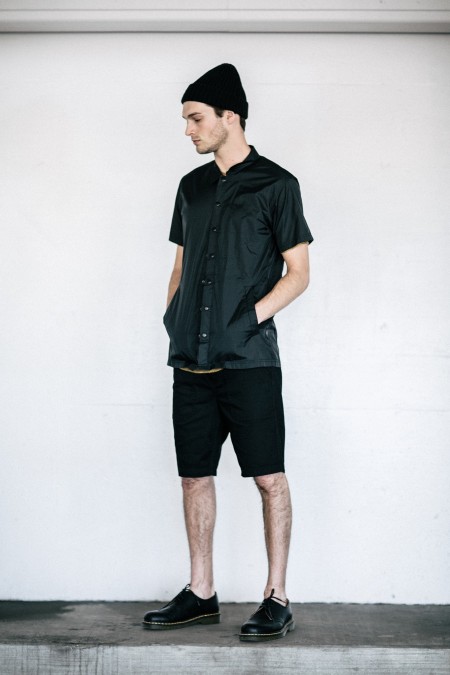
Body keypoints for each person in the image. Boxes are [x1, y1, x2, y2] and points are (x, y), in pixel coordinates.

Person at [143, 63, 313, 642]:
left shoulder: (277, 184)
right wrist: (174, 317)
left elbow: (298, 273)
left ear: (229, 117)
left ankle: (277, 597)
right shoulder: (190, 187)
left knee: (269, 478)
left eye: (195, 119)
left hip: (250, 361)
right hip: (189, 358)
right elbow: (180, 265)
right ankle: (201, 593)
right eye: (186, 120)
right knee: (194, 478)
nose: (187, 130)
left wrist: (248, 320)